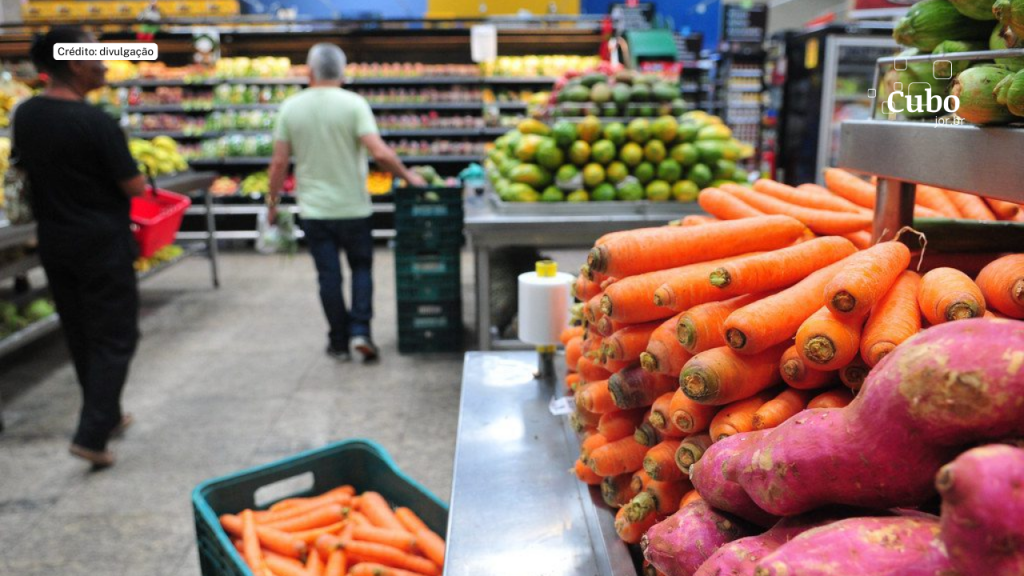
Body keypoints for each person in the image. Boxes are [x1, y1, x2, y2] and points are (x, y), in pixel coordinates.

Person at [14, 26, 147, 468]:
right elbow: (133, 186)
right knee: (115, 337)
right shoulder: (96, 122)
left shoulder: (26, 114)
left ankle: (105, 416)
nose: (105, 63)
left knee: (81, 334)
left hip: (55, 241)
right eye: (96, 55)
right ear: (73, 63)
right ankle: (91, 435)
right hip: (102, 243)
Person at [267, 43, 426, 363]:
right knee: (361, 269)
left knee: (328, 277)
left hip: (314, 211)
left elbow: (279, 164)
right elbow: (380, 153)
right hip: (354, 207)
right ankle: (360, 333)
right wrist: (410, 178)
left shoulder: (291, 107)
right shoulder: (354, 104)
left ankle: (338, 342)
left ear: (309, 71)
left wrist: (272, 204)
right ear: (342, 72)